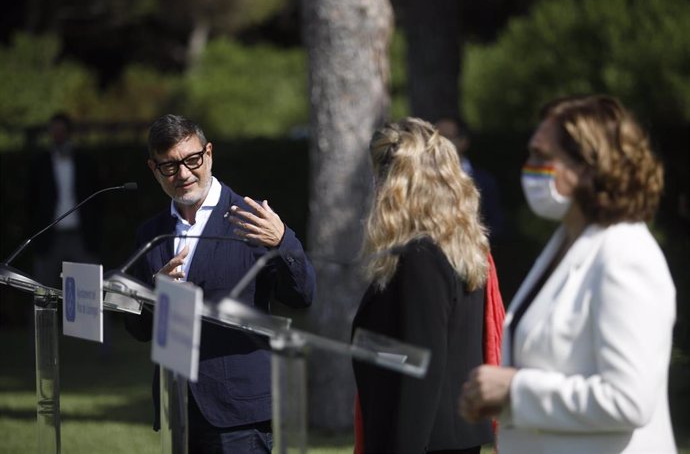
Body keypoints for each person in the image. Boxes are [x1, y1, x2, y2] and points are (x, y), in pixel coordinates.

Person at [459, 95, 677, 453]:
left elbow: (629, 400)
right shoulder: (567, 244)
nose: (529, 167)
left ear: (592, 165)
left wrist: (514, 391)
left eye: (543, 157)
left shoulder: (625, 255)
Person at [124, 114, 315, 453]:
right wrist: (154, 294)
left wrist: (284, 241)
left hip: (239, 413)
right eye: (169, 167)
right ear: (153, 169)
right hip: (178, 407)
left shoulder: (252, 220)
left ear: (208, 153)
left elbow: (302, 296)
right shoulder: (151, 234)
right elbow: (139, 329)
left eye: (192, 160)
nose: (183, 174)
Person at [352, 117, 501, 453]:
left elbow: (423, 369)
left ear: (398, 183)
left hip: (422, 439)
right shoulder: (458, 245)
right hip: (451, 435)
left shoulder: (420, 258)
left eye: (380, 173)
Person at [30, 113, 102, 288]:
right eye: (54, 131)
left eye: (62, 131)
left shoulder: (84, 160)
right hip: (50, 235)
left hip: (80, 234)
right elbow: (31, 200)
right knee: (43, 289)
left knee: (90, 287)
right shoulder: (41, 162)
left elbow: (97, 197)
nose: (58, 135)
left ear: (69, 132)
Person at [436, 117, 505, 243]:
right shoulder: (422, 180)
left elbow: (496, 225)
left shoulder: (484, 181)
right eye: (435, 138)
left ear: (463, 142)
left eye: (446, 138)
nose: (438, 145)